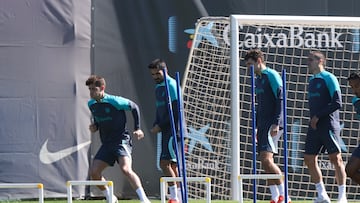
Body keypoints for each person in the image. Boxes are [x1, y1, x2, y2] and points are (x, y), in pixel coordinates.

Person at [85, 75, 151, 203]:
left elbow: (134, 106)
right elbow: (99, 118)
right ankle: (110, 197)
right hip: (107, 143)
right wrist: (95, 126)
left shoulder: (115, 101)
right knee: (94, 173)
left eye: (94, 89)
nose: (91, 92)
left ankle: (144, 199)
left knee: (126, 169)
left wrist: (137, 128)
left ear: (102, 88)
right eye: (90, 89)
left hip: (121, 140)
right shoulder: (91, 104)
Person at [244, 49, 289, 203]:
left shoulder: (271, 75)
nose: (248, 68)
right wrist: (256, 126)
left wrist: (277, 122)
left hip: (273, 123)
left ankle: (285, 195)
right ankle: (275, 196)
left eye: (250, 64)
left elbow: (281, 98)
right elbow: (259, 105)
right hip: (263, 124)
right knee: (264, 161)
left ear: (259, 61)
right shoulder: (257, 79)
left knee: (267, 159)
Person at [304, 51, 347, 203]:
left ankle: (342, 196)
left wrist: (318, 116)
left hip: (328, 124)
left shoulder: (329, 78)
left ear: (320, 61)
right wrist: (314, 118)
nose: (308, 62)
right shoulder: (311, 80)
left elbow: (337, 102)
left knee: (336, 158)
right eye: (308, 60)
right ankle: (322, 195)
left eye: (311, 60)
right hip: (314, 127)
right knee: (309, 158)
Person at [148, 59, 182, 203]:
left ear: (165, 70)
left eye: (158, 73)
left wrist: (160, 126)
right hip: (166, 130)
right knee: (173, 165)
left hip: (175, 130)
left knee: (164, 163)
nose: (155, 76)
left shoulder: (172, 85)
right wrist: (157, 123)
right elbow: (160, 110)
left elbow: (176, 112)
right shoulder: (158, 87)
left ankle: (174, 197)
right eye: (153, 74)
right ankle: (179, 197)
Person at [345, 71, 360, 184]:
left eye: (357, 86)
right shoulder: (356, 100)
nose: (355, 90)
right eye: (352, 87)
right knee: (349, 170)